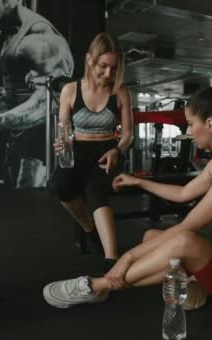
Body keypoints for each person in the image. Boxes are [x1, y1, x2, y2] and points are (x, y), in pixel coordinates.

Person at [43, 82, 212, 309]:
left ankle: (99, 286)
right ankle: (193, 285)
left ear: (210, 124)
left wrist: (125, 259)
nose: (188, 131)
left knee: (183, 240)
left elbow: (189, 226)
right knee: (151, 236)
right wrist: (139, 181)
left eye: (190, 123)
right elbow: (184, 193)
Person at [0, 0, 74, 188]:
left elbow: (50, 102)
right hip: (10, 132)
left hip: (42, 134)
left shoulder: (40, 39)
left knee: (30, 198)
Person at [46, 32, 133, 271]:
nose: (108, 74)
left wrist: (118, 149)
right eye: (103, 66)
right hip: (78, 149)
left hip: (108, 151)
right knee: (58, 186)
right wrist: (62, 142)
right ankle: (89, 228)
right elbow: (64, 129)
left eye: (114, 68)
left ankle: (112, 259)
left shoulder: (121, 92)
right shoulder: (70, 90)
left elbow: (127, 135)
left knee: (95, 189)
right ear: (89, 60)